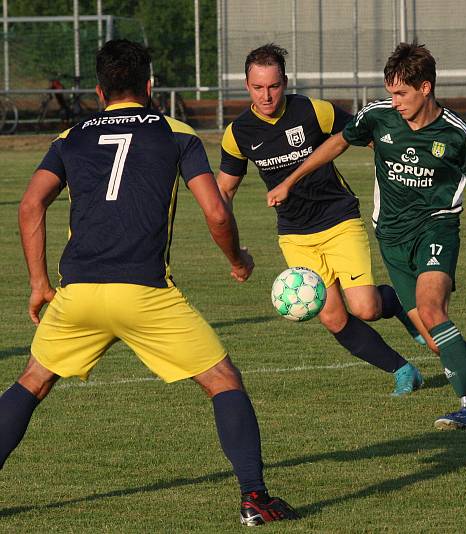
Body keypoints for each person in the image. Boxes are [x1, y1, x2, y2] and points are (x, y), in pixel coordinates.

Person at [0, 40, 297, 525]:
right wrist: (238, 259)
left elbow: (31, 205)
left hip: (77, 292)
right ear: (151, 86)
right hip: (144, 291)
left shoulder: (69, 137)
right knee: (223, 382)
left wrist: (38, 283)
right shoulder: (176, 134)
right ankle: (255, 499)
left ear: (99, 91)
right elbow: (216, 211)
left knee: (32, 382)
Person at [267, 42, 466, 430]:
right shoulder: (379, 116)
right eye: (390, 92)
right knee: (434, 339)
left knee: (432, 311)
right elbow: (340, 140)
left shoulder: (457, 134)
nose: (394, 101)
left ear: (426, 88)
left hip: (436, 230)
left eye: (401, 93)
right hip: (391, 239)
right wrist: (291, 180)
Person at [216, 43, 424, 396]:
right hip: (295, 235)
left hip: (338, 220)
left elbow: (370, 137)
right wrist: (232, 249)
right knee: (332, 316)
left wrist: (407, 166)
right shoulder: (238, 134)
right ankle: (403, 370)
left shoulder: (314, 111)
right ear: (246, 85)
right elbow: (224, 193)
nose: (266, 96)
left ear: (285, 81)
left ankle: (404, 306)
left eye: (274, 86)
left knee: (366, 308)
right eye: (258, 87)